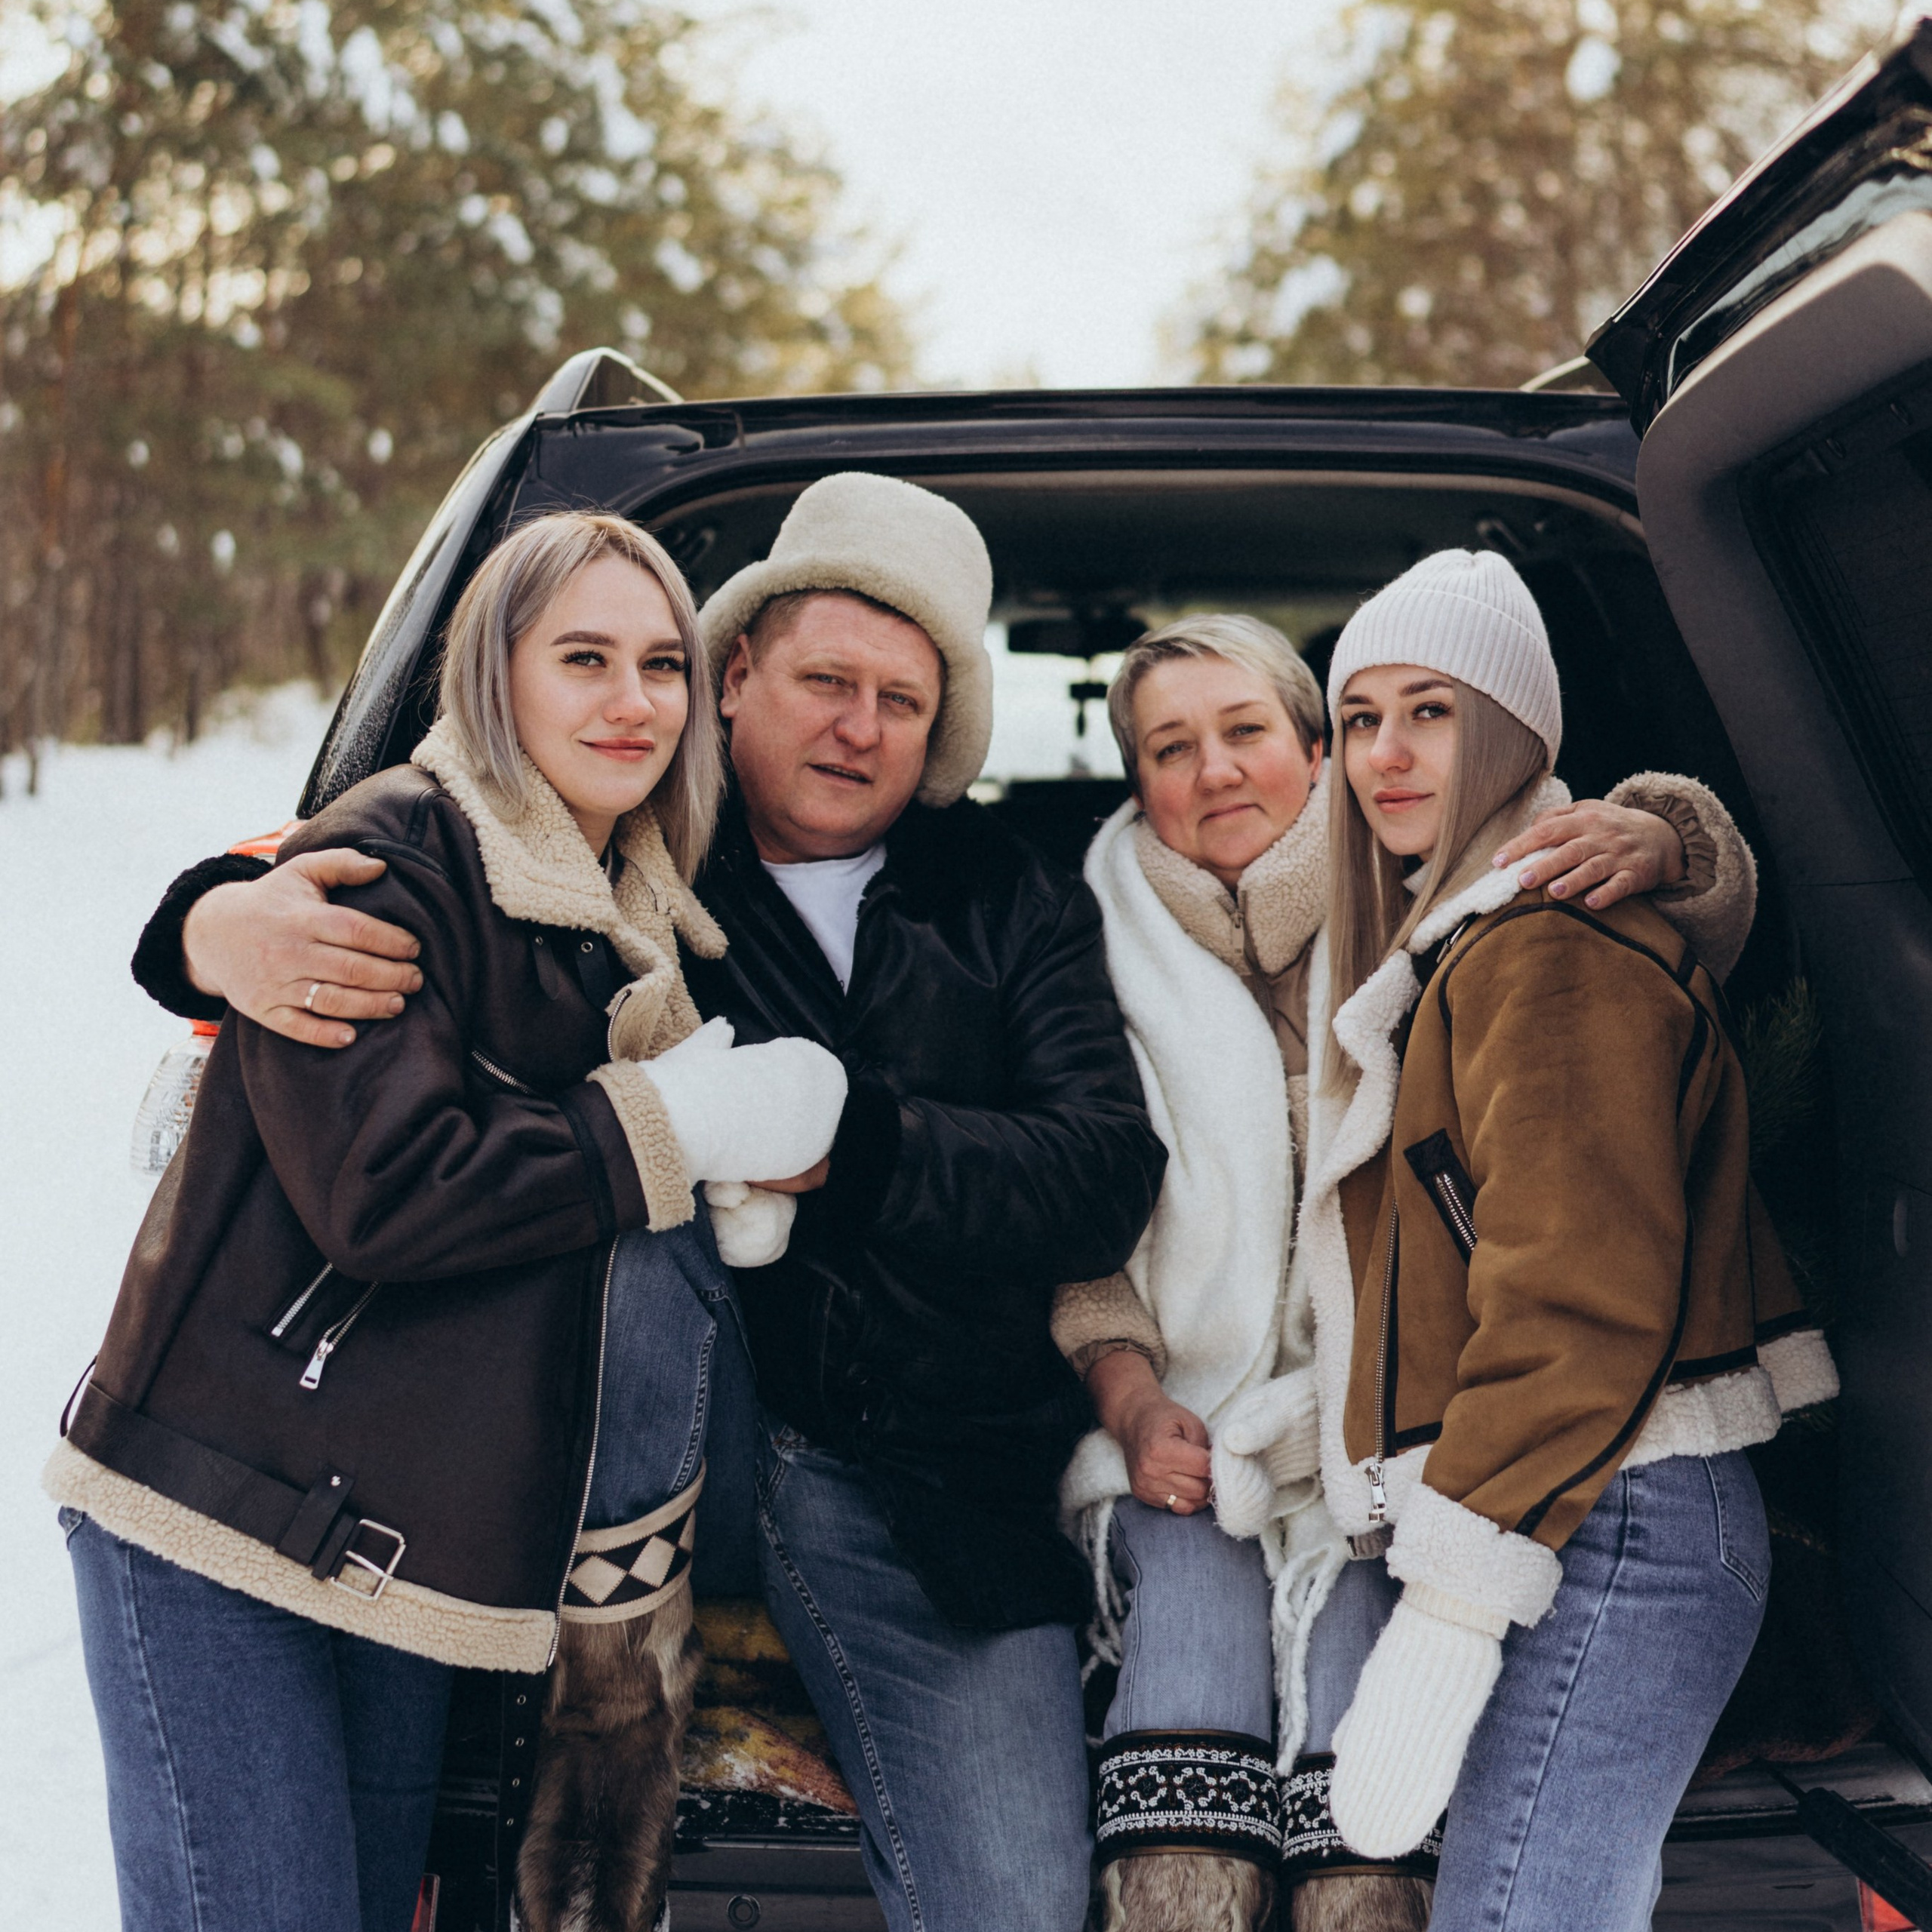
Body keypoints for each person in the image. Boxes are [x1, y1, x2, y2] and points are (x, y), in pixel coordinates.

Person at [123, 472, 1170, 1932]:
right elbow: (408, 863)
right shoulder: (635, 829)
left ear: (943, 735)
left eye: (903, 699)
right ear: (733, 678)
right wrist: (206, 923)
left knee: (1016, 1900)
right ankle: (606, 1674)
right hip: (625, 1458)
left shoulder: (1011, 888)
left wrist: (849, 1147)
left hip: (934, 1475)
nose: (858, 725)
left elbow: (1100, 1176)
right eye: (824, 679)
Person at [47, 512, 849, 1932]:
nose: (631, 701)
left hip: (418, 1554)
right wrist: (675, 1129)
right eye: (584, 658)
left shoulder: (642, 901)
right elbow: (388, 1189)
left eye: (662, 663)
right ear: (493, 674)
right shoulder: (404, 846)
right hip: (229, 1511)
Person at [1051, 614, 1761, 1932]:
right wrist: (1133, 1399)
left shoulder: (1418, 897)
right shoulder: (1075, 946)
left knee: (1369, 1770)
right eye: (1169, 747)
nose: (1213, 772)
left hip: (1412, 1446)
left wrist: (1671, 835)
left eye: (1247, 731)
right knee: (1190, 1666)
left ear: (1312, 754)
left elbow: (1581, 880)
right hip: (1190, 1426)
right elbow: (1070, 1231)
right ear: (1133, 780)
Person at [1299, 549, 1837, 1930]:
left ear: (1513, 729)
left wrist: (1452, 1610)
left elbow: (1579, 1305)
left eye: (1431, 709)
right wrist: (1682, 835)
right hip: (1580, 1503)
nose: (1386, 754)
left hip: (1617, 1522)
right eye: (1358, 718)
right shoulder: (1460, 929)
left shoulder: (1546, 946)